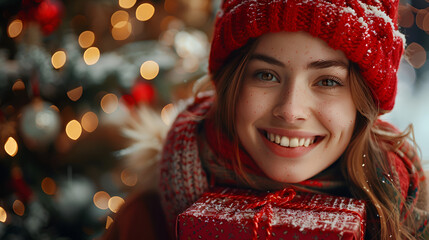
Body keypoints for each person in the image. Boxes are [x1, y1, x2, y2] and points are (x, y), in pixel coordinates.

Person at [158, 0, 429, 239]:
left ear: (364, 101)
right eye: (266, 75)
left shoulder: (408, 203)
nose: (290, 110)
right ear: (232, 84)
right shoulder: (143, 217)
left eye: (327, 81)